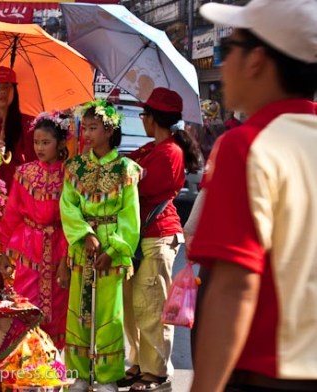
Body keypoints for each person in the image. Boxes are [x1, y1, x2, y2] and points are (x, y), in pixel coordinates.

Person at [188, 0, 317, 391]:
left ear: (257, 60)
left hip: (265, 375)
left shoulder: (247, 146)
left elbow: (234, 287)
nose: (222, 65)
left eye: (229, 51)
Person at [121, 88, 202, 391]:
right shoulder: (152, 148)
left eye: (143, 115)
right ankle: (140, 365)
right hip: (140, 236)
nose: (143, 120)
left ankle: (156, 374)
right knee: (132, 306)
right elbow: (124, 164)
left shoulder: (170, 153)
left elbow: (132, 185)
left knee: (151, 307)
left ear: (152, 118)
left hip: (158, 235)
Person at [60, 100, 141, 392]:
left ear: (109, 130)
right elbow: (68, 207)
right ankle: (81, 375)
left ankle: (107, 377)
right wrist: (84, 234)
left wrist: (113, 249)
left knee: (109, 314)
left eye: (93, 127)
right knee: (79, 312)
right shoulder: (74, 168)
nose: (87, 134)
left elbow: (130, 218)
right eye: (86, 127)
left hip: (111, 252)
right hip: (83, 250)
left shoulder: (126, 169)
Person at [0, 111, 71, 349]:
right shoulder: (25, 172)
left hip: (59, 246)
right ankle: (20, 363)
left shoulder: (70, 175)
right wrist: (4, 250)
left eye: (46, 143)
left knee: (58, 308)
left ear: (60, 144)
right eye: (36, 142)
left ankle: (49, 368)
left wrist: (67, 257)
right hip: (26, 247)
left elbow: (74, 218)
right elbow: (11, 213)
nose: (40, 147)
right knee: (23, 305)